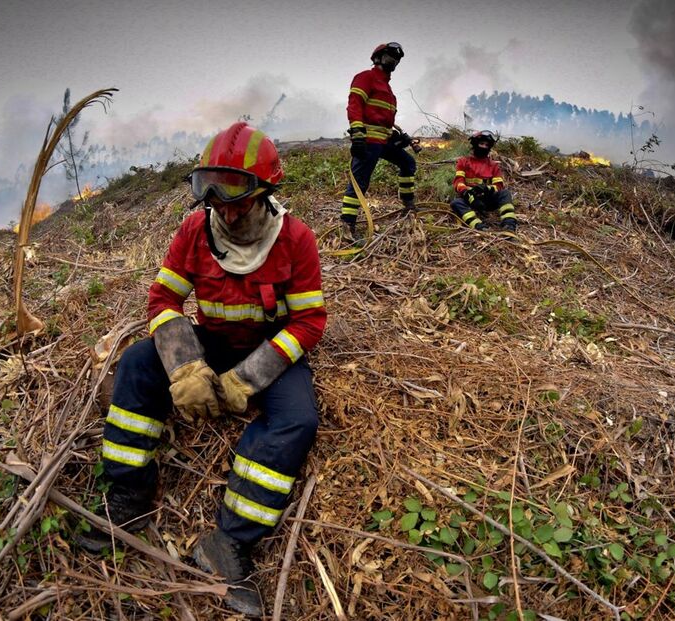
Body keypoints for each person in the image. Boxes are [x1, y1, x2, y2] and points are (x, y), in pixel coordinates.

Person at [76, 122, 326, 617]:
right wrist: (186, 366)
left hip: (266, 348)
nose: (226, 211)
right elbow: (163, 299)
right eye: (214, 197)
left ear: (264, 192)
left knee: (298, 420)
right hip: (210, 341)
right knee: (136, 364)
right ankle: (128, 492)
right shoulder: (195, 230)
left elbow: (309, 321)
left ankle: (229, 543)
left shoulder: (294, 239)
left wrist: (246, 379)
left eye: (237, 198)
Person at [341, 42, 419, 241]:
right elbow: (355, 106)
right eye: (390, 55)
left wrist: (396, 138)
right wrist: (357, 135)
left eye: (397, 58)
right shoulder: (365, 78)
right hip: (368, 140)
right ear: (377, 57)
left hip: (383, 140)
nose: (394, 60)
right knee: (360, 182)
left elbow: (384, 121)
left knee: (408, 163)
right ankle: (347, 224)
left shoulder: (388, 89)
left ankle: (408, 206)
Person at [450, 130, 518, 231]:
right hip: (470, 199)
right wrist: (468, 194)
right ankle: (478, 226)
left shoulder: (493, 165)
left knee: (505, 194)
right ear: (475, 144)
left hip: (487, 199)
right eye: (481, 143)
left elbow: (499, 185)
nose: (484, 147)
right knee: (456, 203)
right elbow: (458, 182)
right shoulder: (463, 162)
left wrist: (487, 189)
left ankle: (509, 224)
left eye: (486, 145)